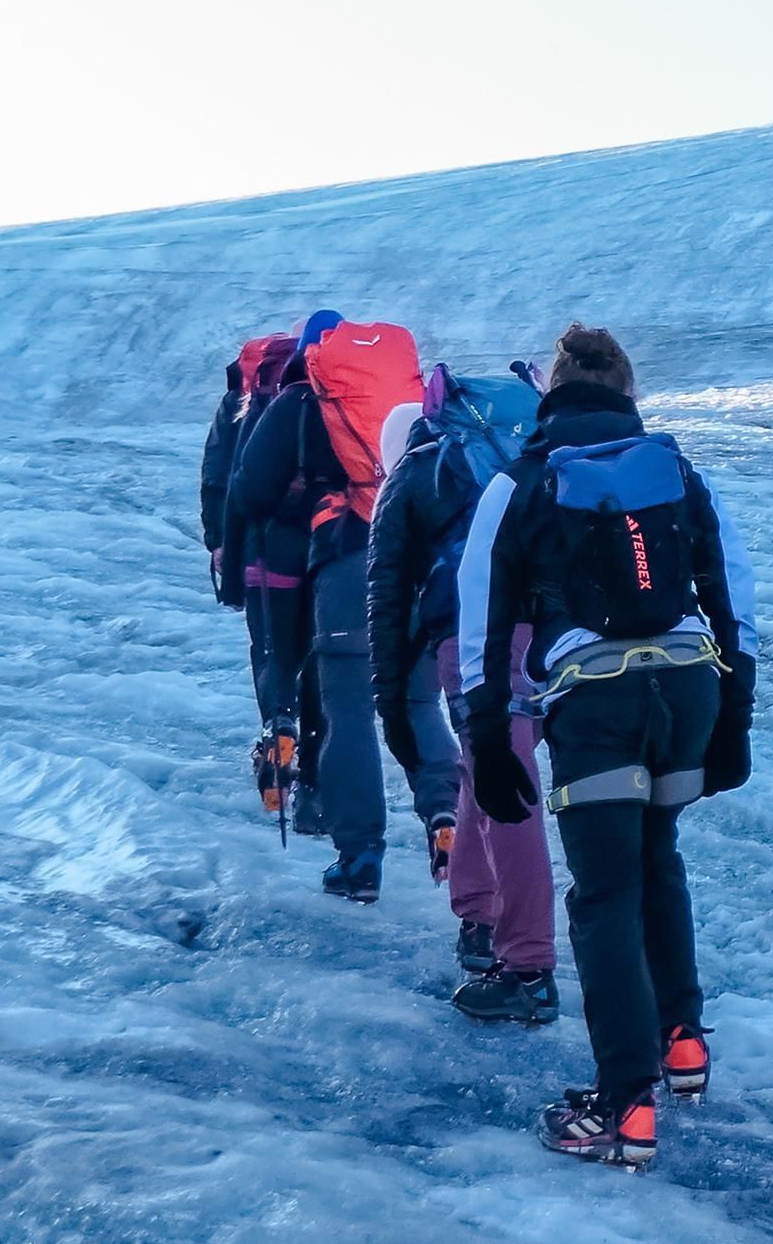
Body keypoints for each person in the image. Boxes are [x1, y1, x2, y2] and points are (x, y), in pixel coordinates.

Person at [459, 324, 756, 1167]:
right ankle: (682, 1043)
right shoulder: (676, 471)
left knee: (603, 894)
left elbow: (481, 615)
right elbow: (730, 590)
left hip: (596, 699)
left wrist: (489, 737)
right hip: (687, 688)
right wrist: (735, 714)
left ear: (550, 394)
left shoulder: (521, 480)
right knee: (657, 858)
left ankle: (624, 1106)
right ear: (629, 393)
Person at [366, 363, 559, 1016]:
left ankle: (527, 965)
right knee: (491, 763)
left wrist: (395, 714)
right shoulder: (520, 454)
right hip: (562, 629)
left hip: (479, 637)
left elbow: (387, 607)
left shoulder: (414, 475)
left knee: (507, 782)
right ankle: (477, 912)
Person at [223, 310, 399, 899]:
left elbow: (244, 490)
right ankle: (319, 799)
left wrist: (230, 567)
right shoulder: (369, 408)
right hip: (344, 559)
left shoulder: (287, 403)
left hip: (275, 557)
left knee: (276, 655)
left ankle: (279, 728)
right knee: (331, 679)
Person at [208, 330, 310, 822]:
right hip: (330, 551)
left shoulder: (245, 401)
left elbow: (220, 479)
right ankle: (317, 771)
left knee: (271, 650)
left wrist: (219, 546)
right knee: (318, 658)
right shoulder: (331, 399)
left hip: (264, 554)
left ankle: (279, 726)